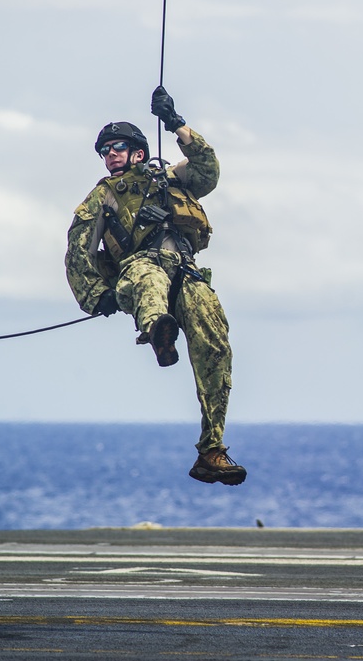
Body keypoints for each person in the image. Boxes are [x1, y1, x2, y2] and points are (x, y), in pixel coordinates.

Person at [65, 86, 246, 486]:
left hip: (187, 271)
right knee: (148, 280)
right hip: (141, 267)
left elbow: (208, 170)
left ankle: (211, 450)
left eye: (117, 146)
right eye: (105, 150)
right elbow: (79, 249)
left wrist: (176, 122)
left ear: (139, 152)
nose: (110, 154)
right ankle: (158, 333)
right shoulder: (104, 196)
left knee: (214, 342)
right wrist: (98, 297)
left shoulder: (171, 178)